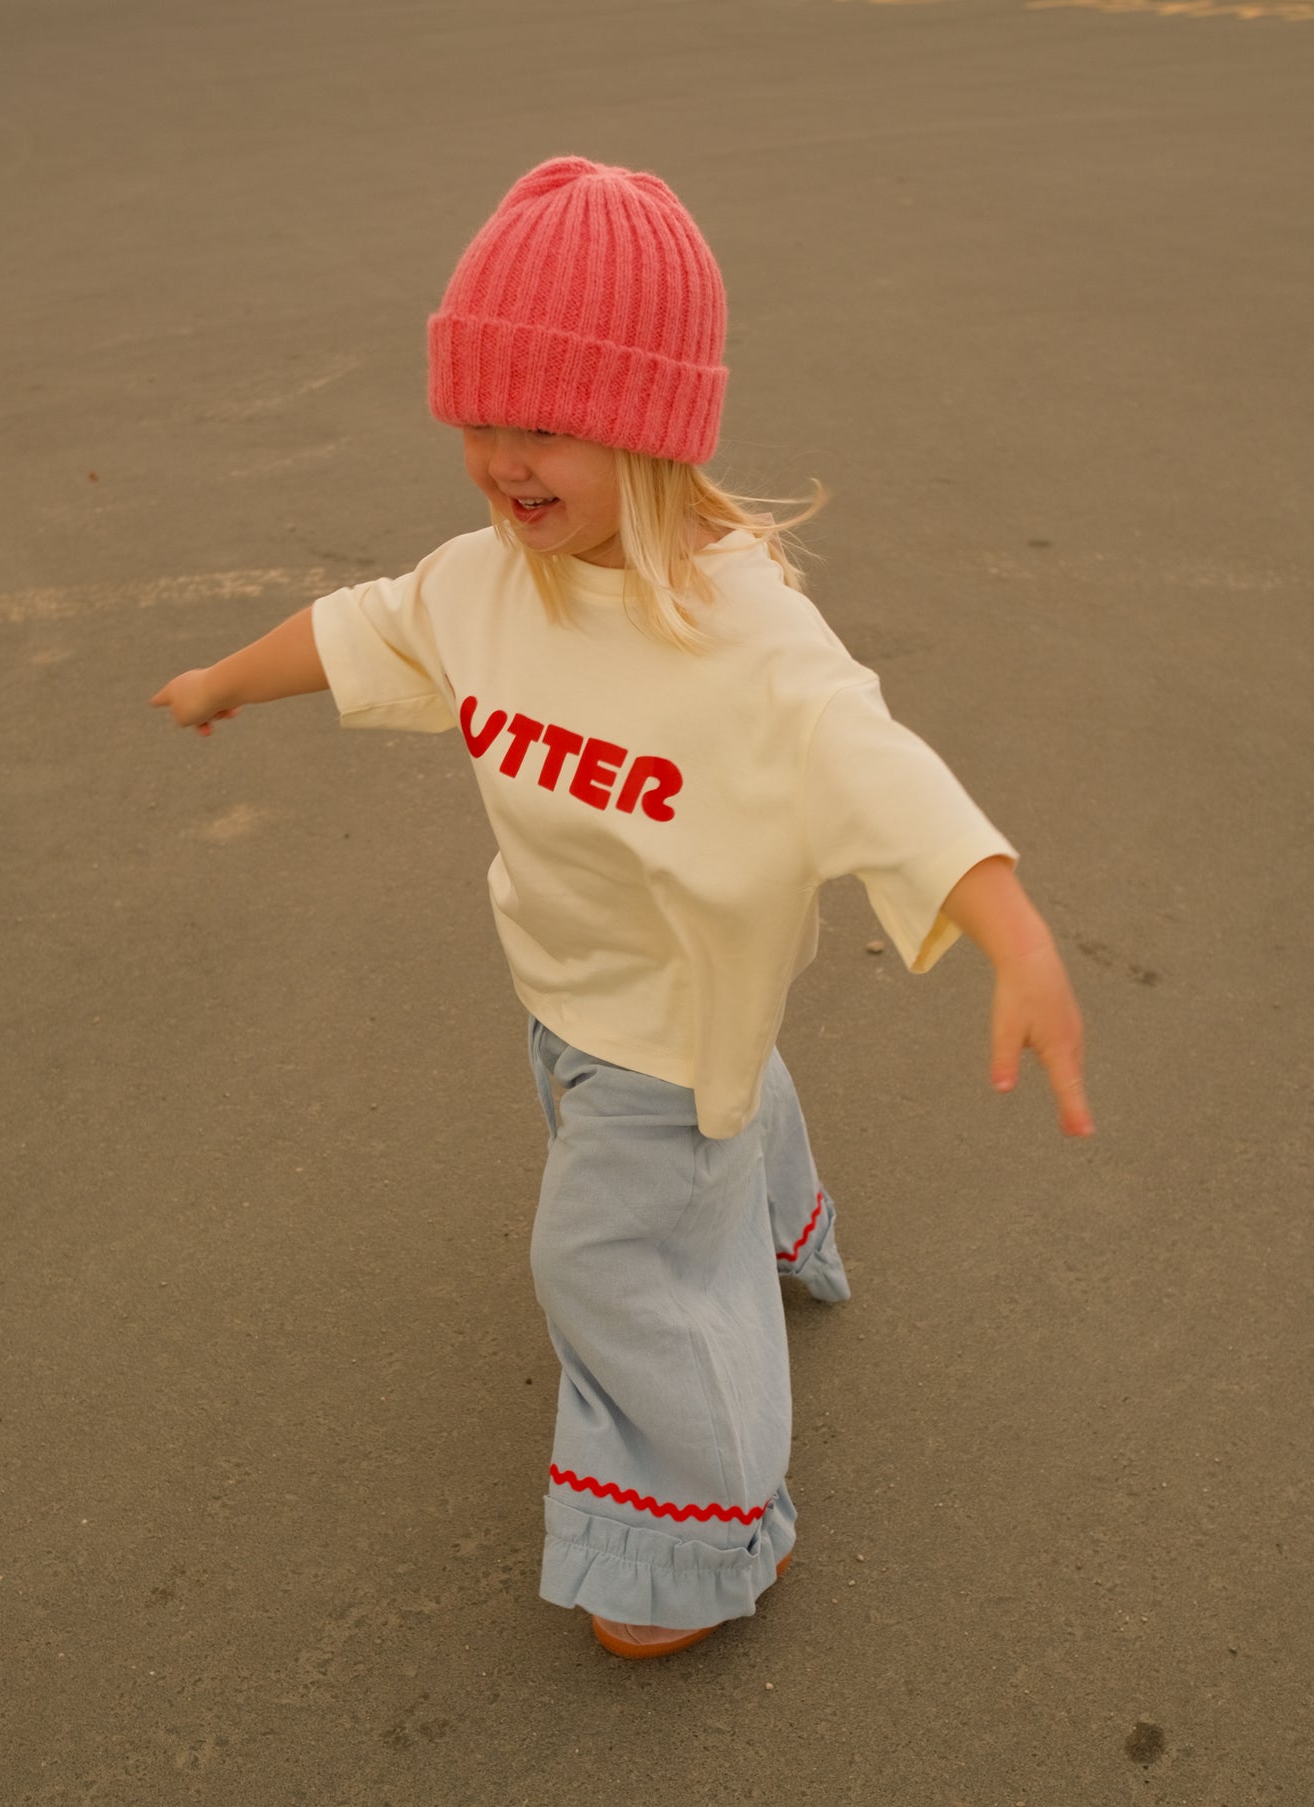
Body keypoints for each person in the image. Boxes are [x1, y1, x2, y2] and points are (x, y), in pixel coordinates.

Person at [151, 156, 1092, 1661]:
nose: (500, 459)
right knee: (704, 1142)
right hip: (574, 998)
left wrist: (1015, 933)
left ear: (649, 429)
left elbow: (883, 773)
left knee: (602, 1259)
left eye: (545, 426)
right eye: (477, 418)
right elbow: (356, 628)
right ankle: (771, 1233)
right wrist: (222, 683)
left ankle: (706, 1535)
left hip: (663, 1036)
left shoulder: (746, 640)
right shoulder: (483, 582)